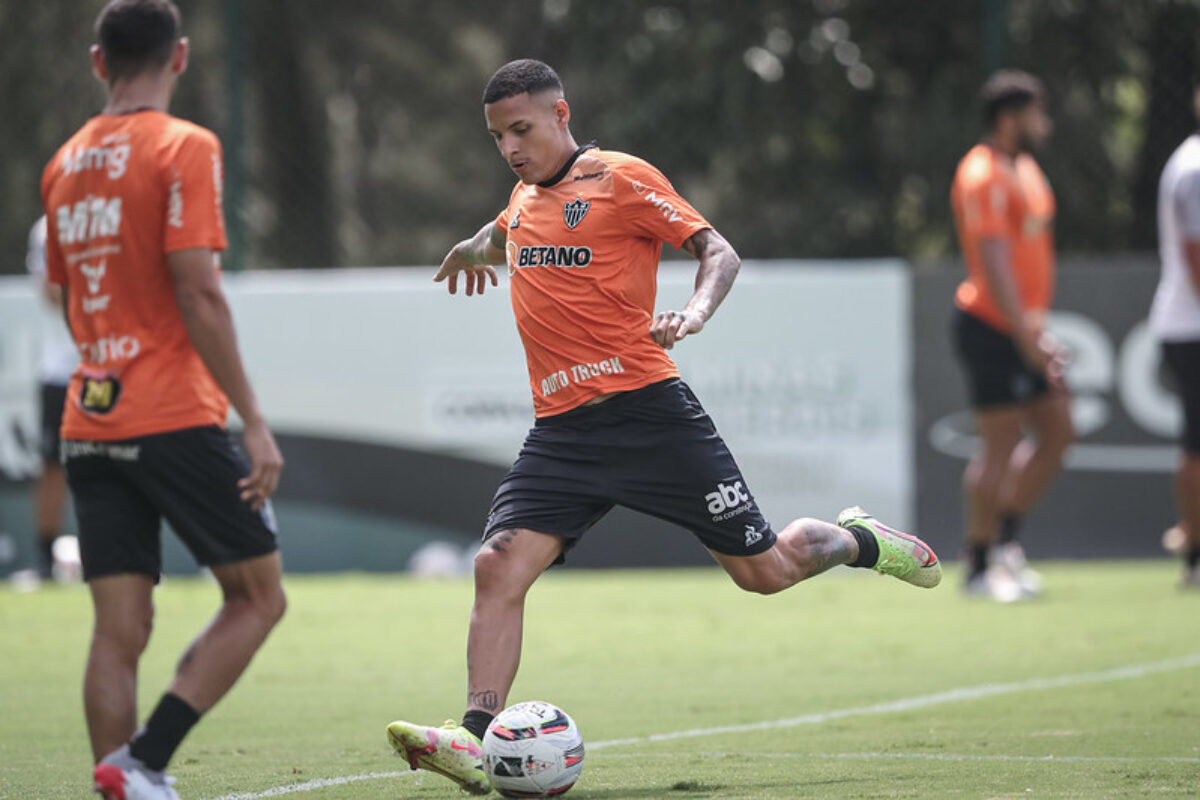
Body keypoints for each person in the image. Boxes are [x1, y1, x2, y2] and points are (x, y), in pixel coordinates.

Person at [385, 58, 942, 795]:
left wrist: (697, 312)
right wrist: (471, 246)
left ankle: (859, 539)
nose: (511, 147)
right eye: (497, 137)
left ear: (561, 114)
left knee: (764, 573)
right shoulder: (522, 198)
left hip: (650, 416)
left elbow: (719, 250)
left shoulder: (620, 178)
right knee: (496, 564)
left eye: (521, 129)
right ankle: (471, 738)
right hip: (561, 434)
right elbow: (507, 230)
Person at [40, 2, 286, 798]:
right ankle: (142, 761)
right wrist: (252, 418)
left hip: (89, 417)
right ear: (179, 57)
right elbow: (199, 294)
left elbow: (64, 294)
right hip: (173, 411)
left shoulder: (63, 163)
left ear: (97, 61)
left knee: (118, 630)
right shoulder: (185, 145)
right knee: (257, 597)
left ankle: (118, 782)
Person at [949, 70, 1074, 603]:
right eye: (1035, 113)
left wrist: (1036, 332)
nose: (1043, 123)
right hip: (991, 327)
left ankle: (1005, 545)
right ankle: (978, 566)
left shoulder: (1024, 169)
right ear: (1009, 117)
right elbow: (996, 271)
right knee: (1000, 447)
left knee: (1058, 431)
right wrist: (1028, 340)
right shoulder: (983, 174)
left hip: (1023, 329)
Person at [1150, 85, 1200, 589]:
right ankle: (1194, 551)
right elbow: (1196, 253)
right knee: (1196, 443)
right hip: (1193, 326)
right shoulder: (1195, 167)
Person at [26, 215, 81, 582]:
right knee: (53, 465)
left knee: (129, 461)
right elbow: (50, 292)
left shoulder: (122, 207)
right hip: (62, 372)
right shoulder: (49, 228)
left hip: (118, 368)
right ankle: (45, 559)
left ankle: (133, 558)